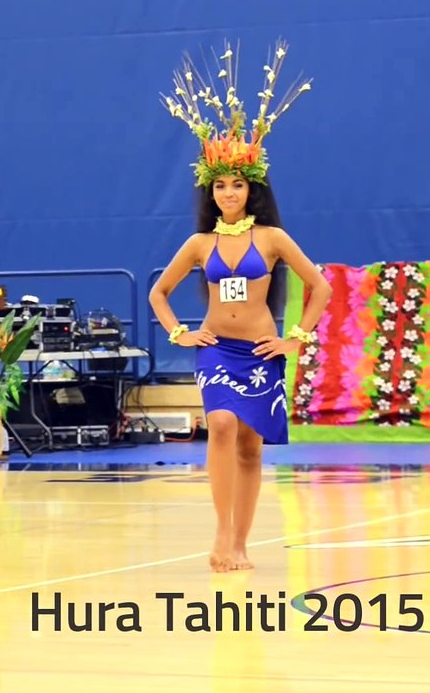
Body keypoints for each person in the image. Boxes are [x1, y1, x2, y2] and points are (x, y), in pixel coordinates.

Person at [149, 39, 332, 572]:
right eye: (221, 186)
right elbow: (159, 292)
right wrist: (179, 334)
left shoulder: (273, 237)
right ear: (212, 193)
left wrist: (294, 336)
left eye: (238, 185)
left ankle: (243, 542)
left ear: (251, 190)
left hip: (261, 350)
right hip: (216, 349)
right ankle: (222, 535)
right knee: (222, 425)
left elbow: (319, 287)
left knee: (251, 446)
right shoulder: (199, 245)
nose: (229, 194)